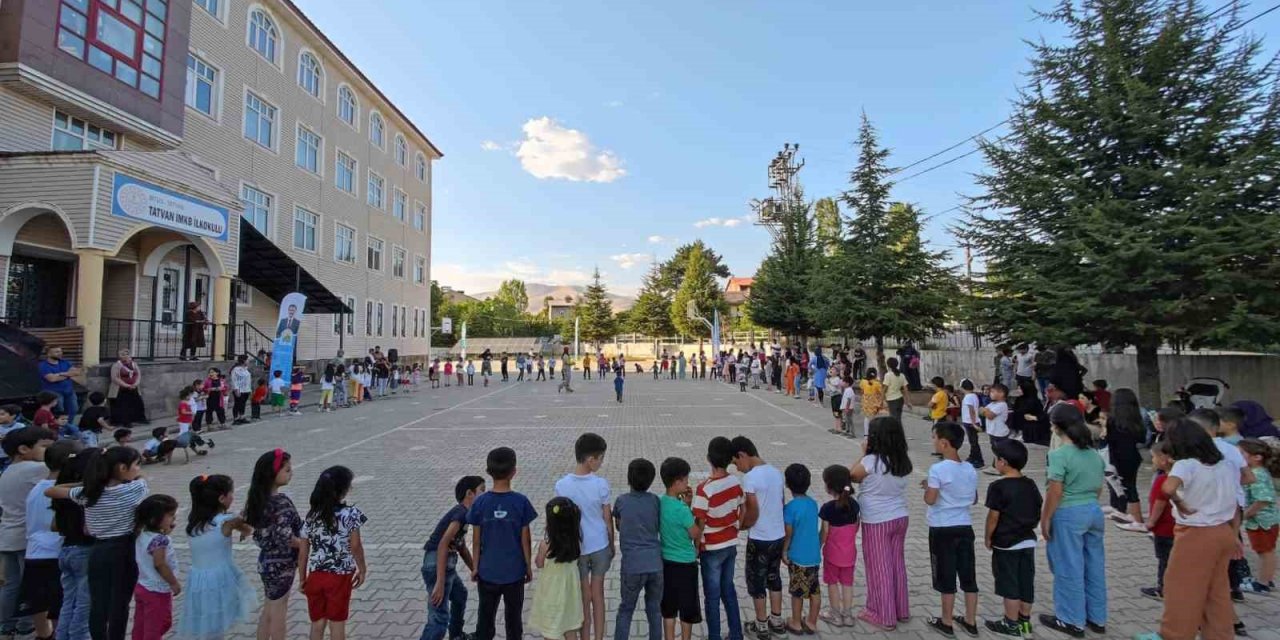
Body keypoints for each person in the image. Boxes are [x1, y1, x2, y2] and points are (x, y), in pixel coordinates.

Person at [1134, 419, 1244, 640]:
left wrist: (1179, 501)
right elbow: (1235, 503)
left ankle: (1174, 635)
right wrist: (1234, 535)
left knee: (1181, 590)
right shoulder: (1225, 464)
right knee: (1217, 593)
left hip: (1196, 534)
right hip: (1223, 531)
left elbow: (1167, 487)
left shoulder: (1187, 465)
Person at [47, 446, 148, 640]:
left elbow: (51, 491)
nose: (139, 468)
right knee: (120, 603)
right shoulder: (135, 488)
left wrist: (87, 483)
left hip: (98, 550)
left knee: (98, 604)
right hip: (124, 549)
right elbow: (140, 478)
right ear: (121, 468)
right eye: (136, 464)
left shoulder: (86, 493)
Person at [1038, 405, 1107, 637]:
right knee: (1094, 565)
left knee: (1068, 566)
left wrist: (1046, 518)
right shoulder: (1093, 454)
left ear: (1057, 427)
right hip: (1093, 511)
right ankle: (1097, 617)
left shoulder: (1058, 456)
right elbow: (1098, 488)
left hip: (1068, 513)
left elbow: (1054, 492)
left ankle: (1070, 620)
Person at [850, 416, 912, 631]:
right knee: (896, 565)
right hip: (900, 517)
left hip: (877, 520)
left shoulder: (871, 461)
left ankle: (883, 615)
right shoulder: (902, 460)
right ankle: (901, 609)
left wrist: (864, 453)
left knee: (879, 568)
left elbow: (852, 475)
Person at [468, 447, 536, 640]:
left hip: (487, 571)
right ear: (514, 471)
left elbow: (475, 539)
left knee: (485, 617)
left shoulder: (480, 503)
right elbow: (526, 539)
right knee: (513, 619)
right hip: (514, 573)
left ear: (488, 472)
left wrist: (475, 567)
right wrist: (527, 565)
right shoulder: (521, 502)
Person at [178, 475, 256, 639]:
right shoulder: (226, 521)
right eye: (231, 493)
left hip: (198, 578)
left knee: (206, 619)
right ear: (221, 498)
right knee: (216, 622)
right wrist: (243, 523)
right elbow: (248, 528)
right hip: (218, 579)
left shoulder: (194, 521)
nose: (233, 497)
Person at [923, 422, 980, 637]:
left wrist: (927, 489)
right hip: (965, 526)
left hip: (942, 528)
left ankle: (946, 621)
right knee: (968, 575)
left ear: (944, 443)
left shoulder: (937, 468)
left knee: (946, 576)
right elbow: (973, 498)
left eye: (934, 438)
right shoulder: (969, 468)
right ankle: (970, 620)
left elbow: (931, 499)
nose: (933, 442)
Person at [553, 434, 613, 640]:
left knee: (582, 596)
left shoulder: (562, 485)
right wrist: (612, 545)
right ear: (591, 460)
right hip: (599, 546)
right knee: (598, 594)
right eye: (601, 458)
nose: (601, 462)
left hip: (576, 548)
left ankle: (584, 637)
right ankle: (599, 637)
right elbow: (607, 518)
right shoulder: (601, 484)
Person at [299, 466, 368, 640]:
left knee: (317, 623)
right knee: (337, 623)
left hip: (315, 575)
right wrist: (362, 568)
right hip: (339, 576)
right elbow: (355, 545)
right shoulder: (350, 514)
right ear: (343, 490)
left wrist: (302, 578)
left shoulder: (311, 516)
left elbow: (303, 550)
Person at [982, 439, 1041, 638]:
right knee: (1026, 582)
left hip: (1006, 543)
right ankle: (1025, 622)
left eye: (996, 459)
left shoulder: (998, 487)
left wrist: (988, 537)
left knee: (1010, 585)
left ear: (1003, 462)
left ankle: (1010, 623)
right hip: (1028, 541)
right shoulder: (1031, 484)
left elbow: (993, 517)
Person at [0, 427, 56, 638]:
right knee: (32, 586)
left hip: (8, 535)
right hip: (27, 537)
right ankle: (26, 625)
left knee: (11, 585)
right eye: (45, 447)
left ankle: (6, 626)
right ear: (23, 449)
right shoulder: (35, 468)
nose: (48, 452)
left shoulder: (8, 470)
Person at [730, 436, 786, 640]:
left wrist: (741, 525)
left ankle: (761, 624)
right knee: (774, 577)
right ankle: (777, 621)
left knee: (757, 582)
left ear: (743, 455)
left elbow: (752, 509)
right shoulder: (776, 472)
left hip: (760, 538)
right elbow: (781, 502)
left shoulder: (751, 478)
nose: (737, 468)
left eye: (736, 462)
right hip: (778, 536)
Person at [244, 449, 303, 640]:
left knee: (269, 608)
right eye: (286, 469)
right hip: (282, 564)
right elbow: (286, 537)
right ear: (272, 474)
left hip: (266, 561)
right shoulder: (280, 503)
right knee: (279, 612)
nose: (291, 472)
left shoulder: (257, 501)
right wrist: (305, 545)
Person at [692, 437, 743, 640]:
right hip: (730, 544)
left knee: (712, 596)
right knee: (728, 590)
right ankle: (736, 633)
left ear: (708, 458)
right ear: (730, 459)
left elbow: (700, 522)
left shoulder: (704, 489)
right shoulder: (736, 482)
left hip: (711, 547)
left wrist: (696, 545)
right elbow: (742, 506)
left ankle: (714, 635)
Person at [421, 476, 484, 640]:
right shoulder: (461, 513)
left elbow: (461, 546)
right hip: (437, 565)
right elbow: (443, 543)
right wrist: (440, 582)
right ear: (469, 493)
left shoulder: (466, 514)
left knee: (460, 595)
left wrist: (475, 569)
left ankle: (456, 635)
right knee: (439, 619)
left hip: (444, 566)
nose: (485, 494)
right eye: (482, 491)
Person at [612, 459, 661, 640]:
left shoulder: (621, 501)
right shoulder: (655, 500)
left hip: (632, 565)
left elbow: (618, 525)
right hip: (655, 563)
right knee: (655, 610)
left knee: (626, 609)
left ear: (628, 479)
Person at [51, 442, 94, 640]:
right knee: (85, 606)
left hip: (67, 548)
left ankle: (63, 636)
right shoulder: (85, 494)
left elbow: (56, 526)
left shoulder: (63, 491)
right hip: (85, 551)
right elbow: (89, 529)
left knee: (69, 602)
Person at [658, 457, 701, 640]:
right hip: (686, 564)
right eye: (685, 480)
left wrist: (686, 504)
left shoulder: (660, 503)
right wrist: (696, 516)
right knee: (687, 607)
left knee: (668, 608)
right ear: (676, 483)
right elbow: (694, 533)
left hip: (666, 561)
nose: (687, 483)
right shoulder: (682, 510)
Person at [530, 497, 584, 640]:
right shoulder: (575, 542)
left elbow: (539, 563)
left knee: (551, 629)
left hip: (551, 594)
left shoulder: (545, 545)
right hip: (570, 594)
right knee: (570, 627)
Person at [131, 494, 181, 640]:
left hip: (142, 586)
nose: (174, 519)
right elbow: (159, 563)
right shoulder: (160, 540)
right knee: (159, 624)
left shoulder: (142, 534)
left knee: (141, 624)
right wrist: (173, 582)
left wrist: (165, 532)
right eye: (171, 515)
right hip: (157, 590)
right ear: (155, 519)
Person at [817, 465, 858, 628]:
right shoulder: (854, 505)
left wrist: (819, 545)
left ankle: (835, 614)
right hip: (850, 554)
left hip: (832, 555)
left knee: (832, 583)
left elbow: (825, 532)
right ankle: (847, 615)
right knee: (847, 583)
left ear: (830, 486)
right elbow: (856, 526)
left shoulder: (827, 508)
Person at [781, 465, 820, 635]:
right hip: (814, 556)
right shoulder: (813, 504)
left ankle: (796, 622)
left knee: (797, 592)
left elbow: (789, 533)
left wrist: (784, 551)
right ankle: (811, 622)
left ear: (788, 484)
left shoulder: (790, 508)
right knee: (814, 589)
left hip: (798, 557)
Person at [1105, 388, 1147, 531]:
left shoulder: (1112, 420)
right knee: (1130, 485)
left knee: (1127, 487)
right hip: (1133, 456)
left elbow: (1110, 440)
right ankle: (1133, 515)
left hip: (1118, 457)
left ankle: (1137, 519)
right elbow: (1142, 438)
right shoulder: (1136, 418)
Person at [1238, 439, 1278, 592]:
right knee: (1266, 551)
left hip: (1262, 521)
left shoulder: (1257, 474)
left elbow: (1263, 499)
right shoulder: (1258, 472)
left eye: (1242, 454)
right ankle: (1266, 578)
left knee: (1266, 552)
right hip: (1263, 521)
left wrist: (1246, 515)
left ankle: (1263, 583)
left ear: (1257, 457)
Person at [1139, 441, 1177, 601]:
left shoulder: (1164, 480)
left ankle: (1163, 588)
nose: (1152, 460)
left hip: (1164, 528)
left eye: (1154, 457)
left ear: (1164, 459)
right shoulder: (1178, 478)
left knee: (1164, 559)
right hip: (1175, 527)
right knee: (1170, 559)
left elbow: (1160, 504)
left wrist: (1151, 522)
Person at [39, 346, 80, 422]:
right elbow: (52, 379)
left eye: (60, 351)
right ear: (48, 354)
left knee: (74, 409)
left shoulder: (65, 362)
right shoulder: (43, 365)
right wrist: (68, 374)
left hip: (69, 391)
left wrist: (60, 374)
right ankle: (59, 427)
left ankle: (68, 427)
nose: (60, 353)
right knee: (60, 410)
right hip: (54, 393)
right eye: (56, 352)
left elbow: (76, 372)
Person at [108, 349, 146, 429]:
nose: (125, 356)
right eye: (123, 354)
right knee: (123, 406)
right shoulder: (116, 365)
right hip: (120, 389)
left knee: (137, 403)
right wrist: (126, 385)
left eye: (127, 354)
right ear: (120, 356)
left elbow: (138, 375)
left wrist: (135, 384)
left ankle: (139, 419)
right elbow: (114, 378)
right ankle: (125, 422)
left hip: (134, 387)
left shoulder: (134, 364)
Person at [959, 380, 985, 469]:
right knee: (972, 441)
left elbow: (971, 410)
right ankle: (972, 456)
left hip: (970, 422)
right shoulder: (973, 395)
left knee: (974, 442)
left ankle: (979, 460)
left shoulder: (968, 397)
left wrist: (973, 423)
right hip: (970, 421)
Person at [882, 358, 908, 422]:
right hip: (900, 399)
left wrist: (883, 400)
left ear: (888, 365)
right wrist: (907, 401)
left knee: (893, 419)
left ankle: (895, 431)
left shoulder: (888, 375)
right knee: (898, 419)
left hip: (891, 400)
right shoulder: (901, 375)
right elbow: (906, 389)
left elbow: (884, 389)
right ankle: (899, 431)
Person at [230, 356, 253, 425]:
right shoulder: (236, 369)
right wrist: (236, 389)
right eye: (247, 360)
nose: (248, 361)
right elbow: (234, 380)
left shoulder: (246, 369)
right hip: (239, 389)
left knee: (243, 404)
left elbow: (248, 380)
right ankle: (235, 418)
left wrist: (250, 389)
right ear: (243, 360)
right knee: (237, 404)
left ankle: (242, 417)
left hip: (246, 389)